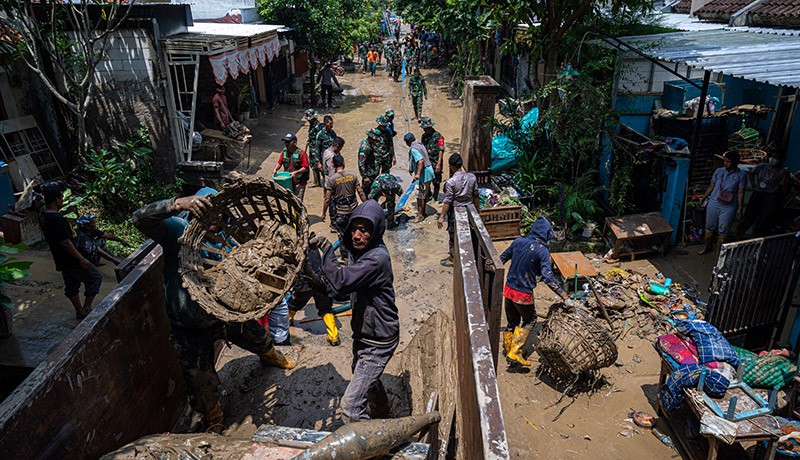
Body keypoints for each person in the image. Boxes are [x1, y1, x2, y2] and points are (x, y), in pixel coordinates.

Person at [132, 188, 296, 431]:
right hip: (188, 327)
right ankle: (213, 417)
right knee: (201, 383)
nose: (214, 220)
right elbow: (138, 218)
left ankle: (270, 355)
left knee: (258, 337)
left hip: (224, 316)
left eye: (218, 214)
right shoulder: (178, 230)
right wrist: (177, 203)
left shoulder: (229, 242)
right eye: (207, 213)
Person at [314, 200, 399, 422]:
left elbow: (341, 282)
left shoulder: (376, 259)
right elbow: (342, 291)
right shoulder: (360, 254)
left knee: (350, 408)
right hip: (365, 333)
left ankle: (372, 449)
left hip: (379, 339)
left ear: (377, 230)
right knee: (363, 375)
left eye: (364, 230)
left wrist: (325, 252)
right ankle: (383, 414)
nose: (356, 235)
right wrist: (315, 282)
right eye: (354, 228)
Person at [500, 217, 573, 368]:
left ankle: (507, 348)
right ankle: (515, 351)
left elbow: (501, 259)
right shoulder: (542, 251)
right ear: (546, 234)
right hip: (523, 293)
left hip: (508, 289)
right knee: (530, 319)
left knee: (512, 322)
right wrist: (564, 295)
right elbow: (548, 277)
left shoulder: (518, 242)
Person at [38, 181, 102, 320]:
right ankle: (86, 308)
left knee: (72, 284)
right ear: (57, 199)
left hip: (60, 258)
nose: (62, 200)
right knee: (95, 277)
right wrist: (81, 258)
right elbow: (66, 242)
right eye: (61, 197)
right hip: (70, 258)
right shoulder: (56, 218)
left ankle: (79, 310)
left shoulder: (42, 214)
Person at [288, 246, 340, 346]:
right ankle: (334, 336)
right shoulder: (313, 243)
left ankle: (287, 324)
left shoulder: (294, 246)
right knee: (326, 309)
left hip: (305, 285)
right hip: (321, 282)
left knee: (294, 304)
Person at [698, 151, 747, 255]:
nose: (725, 163)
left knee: (723, 229)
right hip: (714, 202)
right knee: (709, 226)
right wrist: (703, 198)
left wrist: (740, 208)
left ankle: (718, 252)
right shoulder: (719, 171)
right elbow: (711, 186)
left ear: (734, 162)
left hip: (729, 206)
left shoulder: (741, 175)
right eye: (724, 161)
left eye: (728, 162)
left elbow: (740, 192)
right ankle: (707, 247)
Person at [323, 155, 367, 261]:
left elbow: (327, 199)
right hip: (354, 210)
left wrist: (323, 213)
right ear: (344, 163)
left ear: (333, 164)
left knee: (342, 236)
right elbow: (360, 192)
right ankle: (359, 252)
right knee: (356, 231)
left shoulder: (331, 180)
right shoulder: (352, 175)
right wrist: (366, 205)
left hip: (341, 212)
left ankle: (345, 257)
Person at [437, 154, 478, 266]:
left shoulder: (451, 182)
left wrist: (441, 217)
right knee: (467, 232)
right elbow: (475, 195)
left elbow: (447, 201)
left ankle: (453, 259)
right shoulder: (472, 177)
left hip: (456, 210)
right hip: (469, 208)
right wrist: (476, 210)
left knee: (452, 234)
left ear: (451, 166)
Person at [737, 153, 789, 238]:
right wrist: (754, 185)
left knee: (764, 219)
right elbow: (751, 173)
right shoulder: (762, 166)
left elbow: (783, 188)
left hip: (771, 196)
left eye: (776, 158)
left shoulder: (782, 172)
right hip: (758, 193)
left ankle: (756, 240)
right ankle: (738, 236)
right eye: (772, 157)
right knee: (749, 216)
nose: (772, 159)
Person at [404, 133, 435, 223]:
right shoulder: (419, 144)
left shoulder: (414, 149)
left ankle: (420, 215)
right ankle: (423, 213)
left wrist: (417, 174)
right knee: (423, 195)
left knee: (419, 195)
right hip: (429, 171)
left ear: (407, 142)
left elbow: (420, 161)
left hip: (424, 174)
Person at [272, 133, 310, 201]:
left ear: (295, 142)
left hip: (299, 182)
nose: (286, 144)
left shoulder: (301, 154)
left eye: (288, 142)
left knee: (298, 201)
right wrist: (275, 169)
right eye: (285, 142)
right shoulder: (284, 152)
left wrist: (296, 172)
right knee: (289, 201)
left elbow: (305, 168)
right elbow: (279, 163)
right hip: (288, 182)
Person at [420, 117, 445, 201]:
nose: (424, 130)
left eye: (426, 129)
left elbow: (441, 150)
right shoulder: (424, 136)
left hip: (436, 161)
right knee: (427, 179)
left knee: (436, 181)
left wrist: (438, 164)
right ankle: (428, 194)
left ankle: (435, 196)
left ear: (430, 127)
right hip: (427, 161)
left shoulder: (438, 136)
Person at [359, 129, 382, 197]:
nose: (377, 141)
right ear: (371, 138)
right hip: (369, 176)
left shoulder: (371, 144)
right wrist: (365, 177)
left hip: (374, 173)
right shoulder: (365, 147)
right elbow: (361, 163)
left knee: (375, 193)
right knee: (367, 194)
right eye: (376, 140)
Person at [304, 109, 324, 187]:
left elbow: (320, 138)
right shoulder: (312, 125)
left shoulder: (318, 126)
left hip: (317, 150)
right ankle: (317, 182)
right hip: (312, 148)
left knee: (320, 165)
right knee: (313, 165)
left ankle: (326, 181)